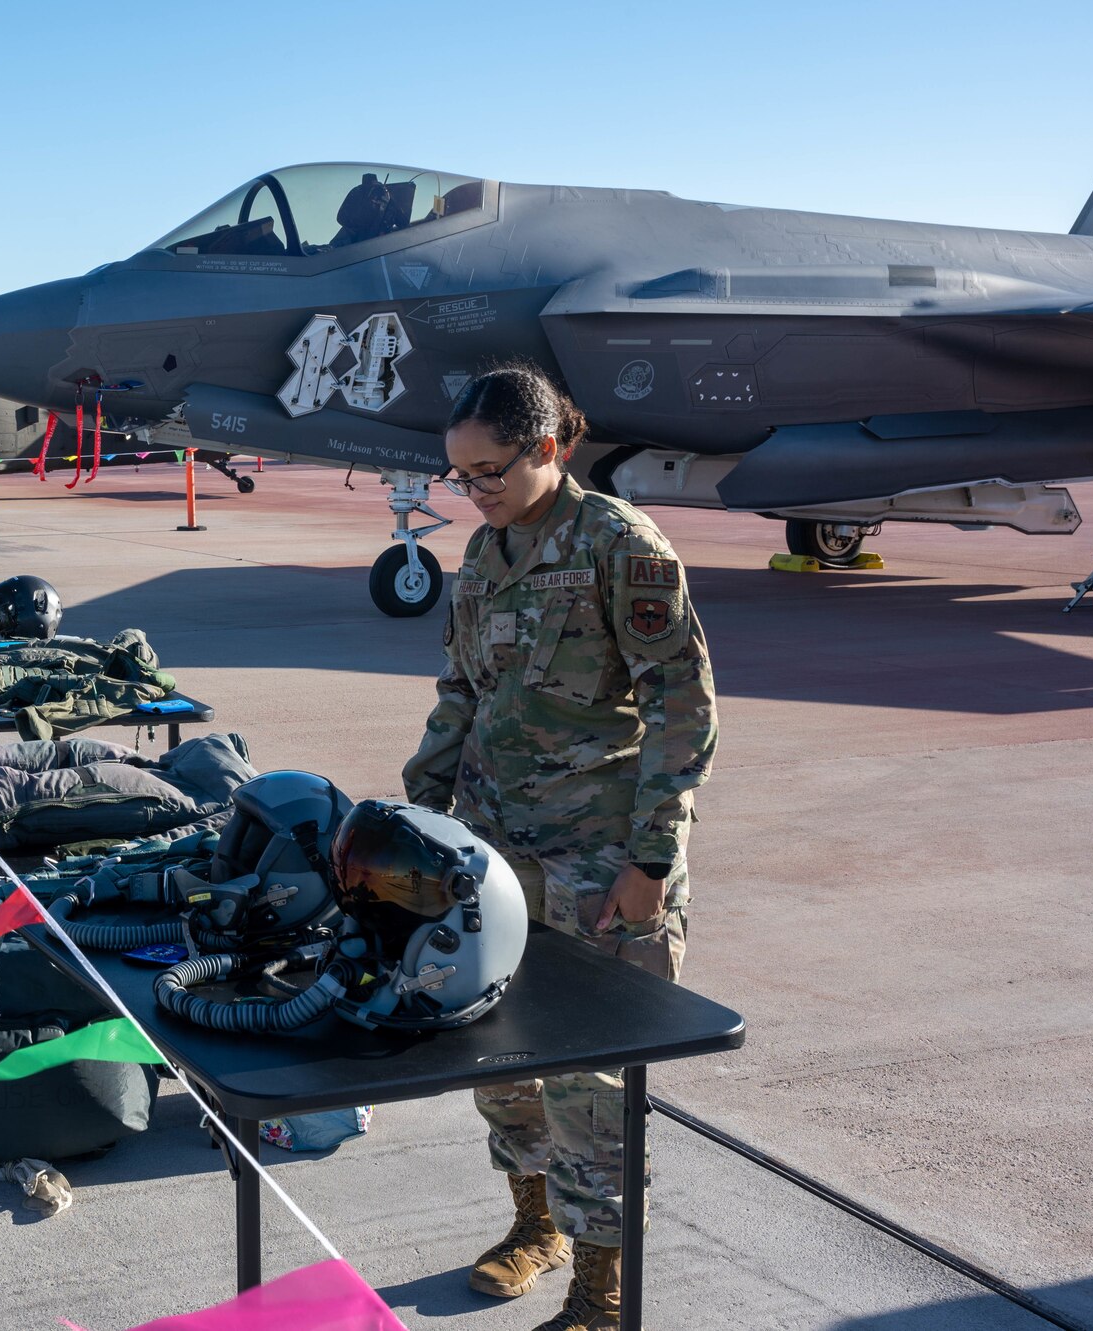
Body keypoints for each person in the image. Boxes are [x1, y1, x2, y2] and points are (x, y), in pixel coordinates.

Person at [400, 363, 717, 1331]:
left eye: (488, 469)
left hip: (597, 869)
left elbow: (683, 707)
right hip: (497, 863)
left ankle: (600, 1290)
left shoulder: (620, 546)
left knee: (592, 1086)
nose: (474, 491)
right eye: (459, 475)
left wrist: (650, 862)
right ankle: (531, 1225)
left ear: (549, 448)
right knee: (498, 1060)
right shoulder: (485, 558)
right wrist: (421, 814)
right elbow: (461, 693)